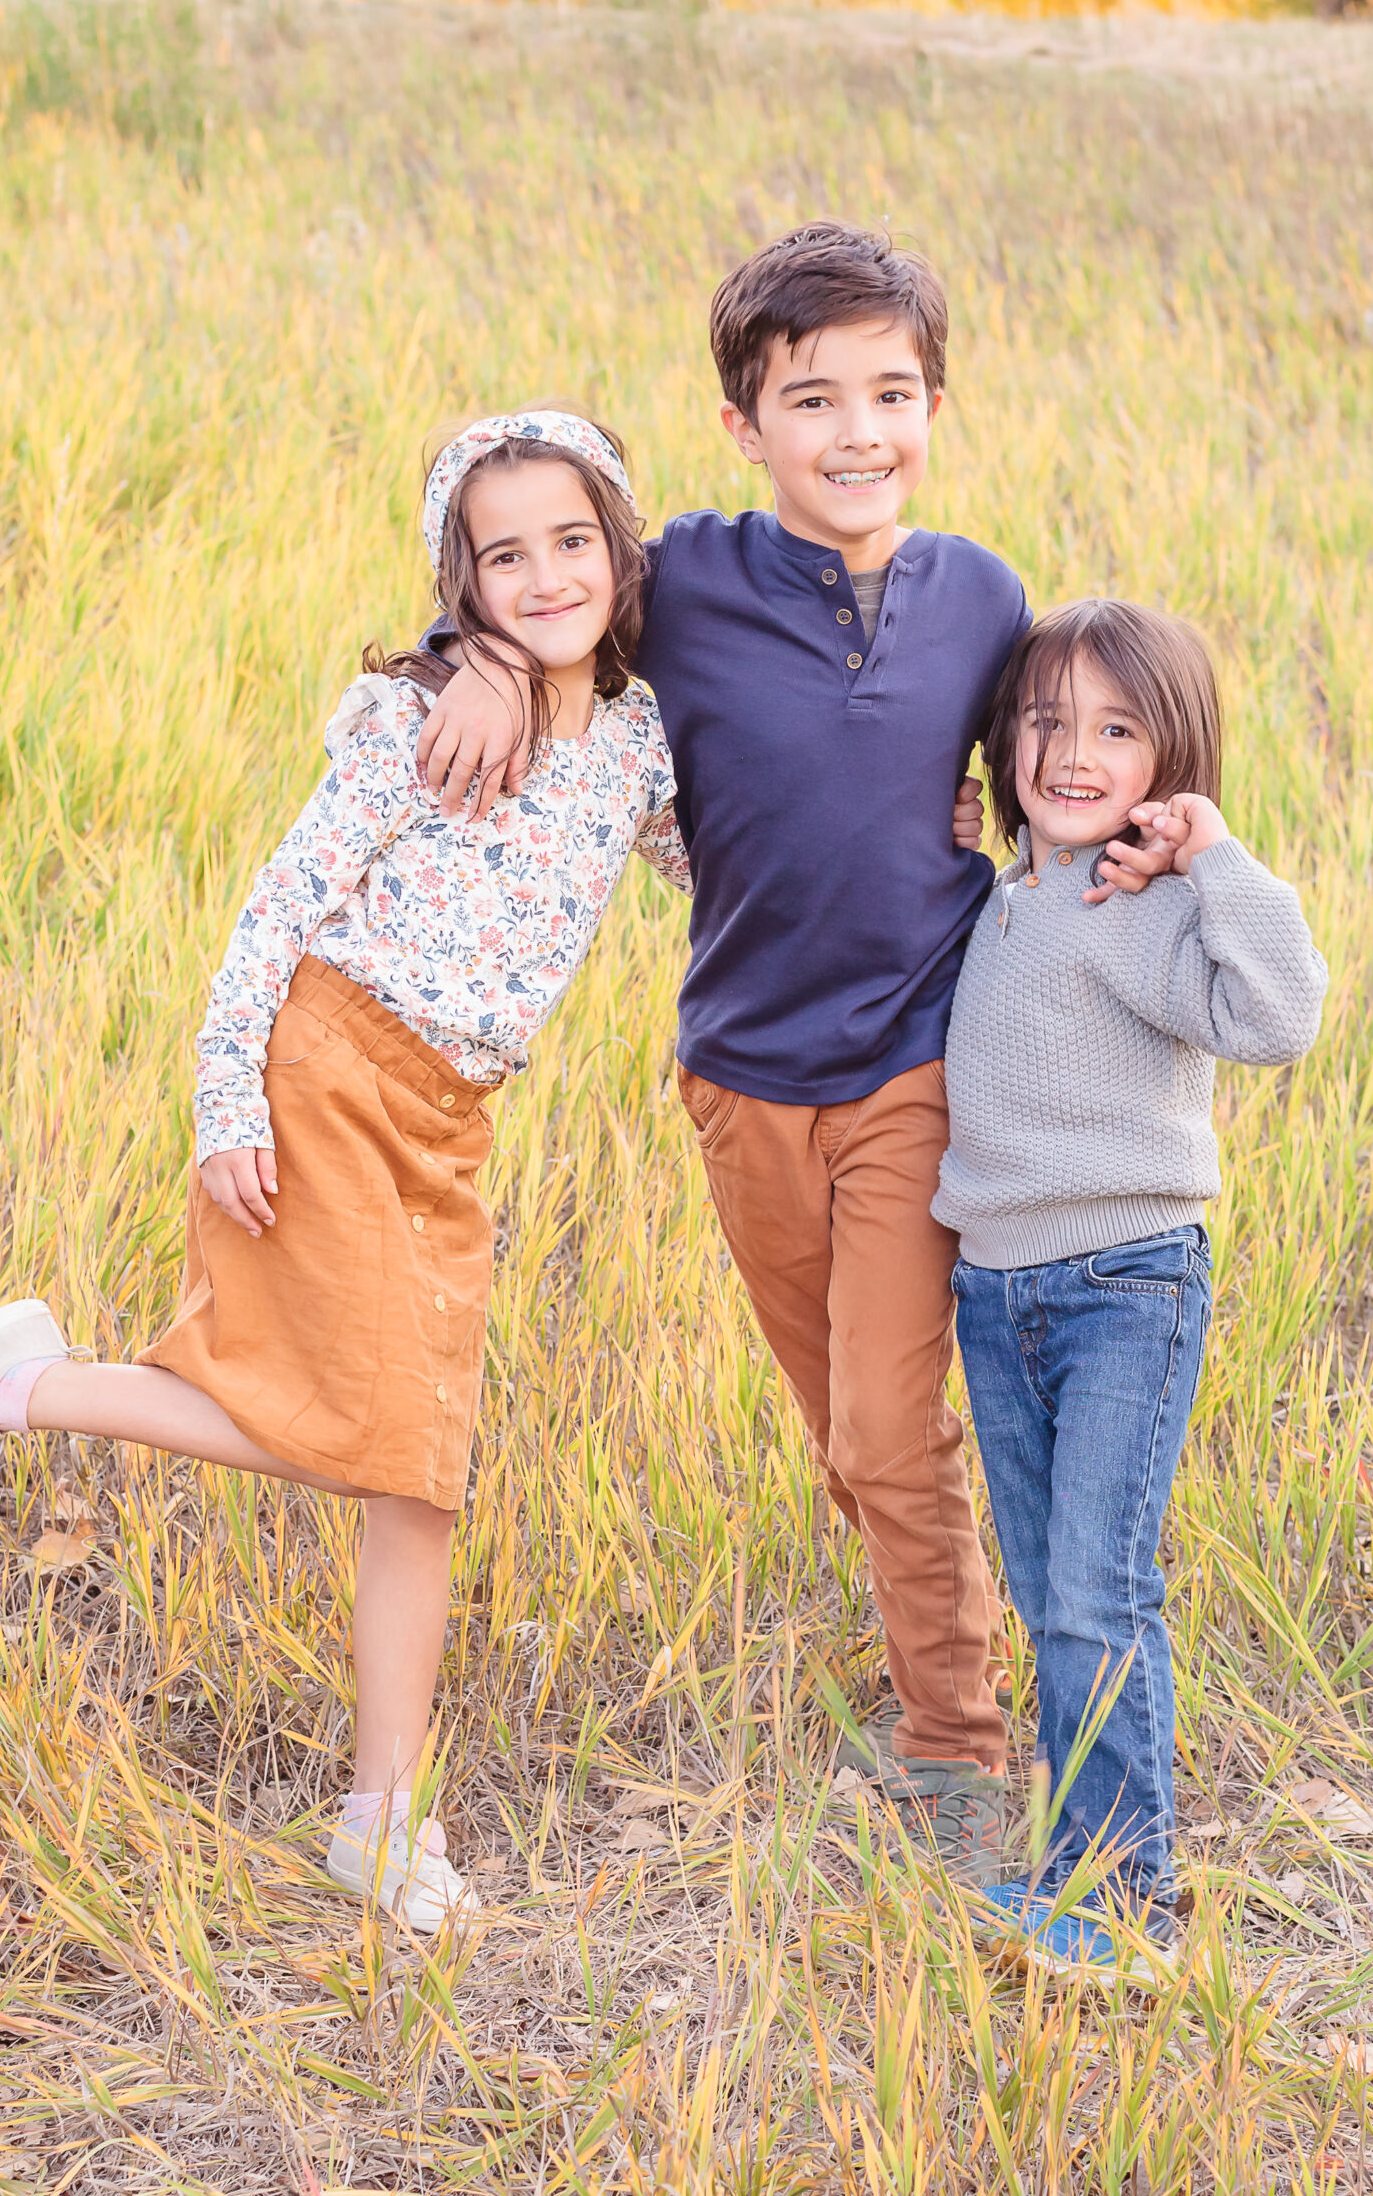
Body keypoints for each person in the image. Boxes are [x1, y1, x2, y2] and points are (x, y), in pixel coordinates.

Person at [0, 409, 692, 1934]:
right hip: (334, 1067)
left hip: (455, 1115)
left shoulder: (636, 741)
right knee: (388, 1440)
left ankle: (379, 1813)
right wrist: (226, 1092)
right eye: (507, 556)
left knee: (413, 1467)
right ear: (465, 579)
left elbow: (726, 864)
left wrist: (911, 822)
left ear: (622, 544)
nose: (548, 576)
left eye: (575, 541)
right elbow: (282, 897)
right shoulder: (418, 713)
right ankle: (34, 1395)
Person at [410, 225, 1176, 1883]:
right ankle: (936, 1647)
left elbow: (1060, 761)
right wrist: (469, 658)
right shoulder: (676, 580)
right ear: (746, 424)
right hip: (741, 1080)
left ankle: (959, 1747)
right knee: (843, 1433)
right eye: (811, 397)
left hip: (917, 1058)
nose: (857, 432)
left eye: (891, 393)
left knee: (896, 1431)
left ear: (938, 404)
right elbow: (533, 592)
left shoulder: (980, 597)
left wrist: (1170, 824)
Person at [933, 597, 1326, 1976]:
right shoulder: (994, 900)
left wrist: (1213, 857)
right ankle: (1077, 1862)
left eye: (1117, 729)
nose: (1077, 752)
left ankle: (1123, 1900)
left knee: (1098, 1589)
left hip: (1127, 1286)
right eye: (1048, 721)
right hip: (995, 1294)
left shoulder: (1147, 906)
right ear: (1004, 741)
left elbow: (1280, 1016)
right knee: (1049, 1594)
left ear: (1170, 761)